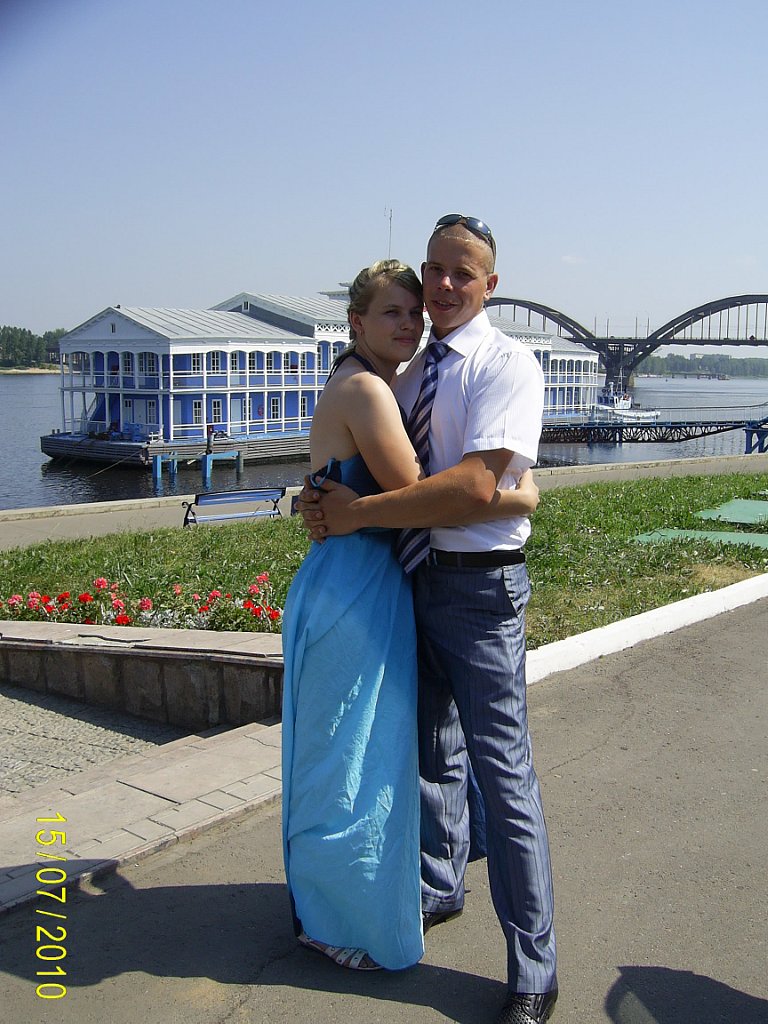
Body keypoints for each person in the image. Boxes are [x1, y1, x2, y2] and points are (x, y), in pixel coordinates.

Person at [298, 216, 558, 1024]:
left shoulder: (506, 365)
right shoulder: (404, 376)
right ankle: (439, 886)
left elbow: (472, 488)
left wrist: (356, 513)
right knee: (432, 754)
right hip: (410, 582)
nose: (442, 287)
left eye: (462, 273)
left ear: (490, 285)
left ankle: (534, 969)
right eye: (433, 270)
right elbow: (385, 472)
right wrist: (323, 499)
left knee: (503, 776)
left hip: (480, 594)